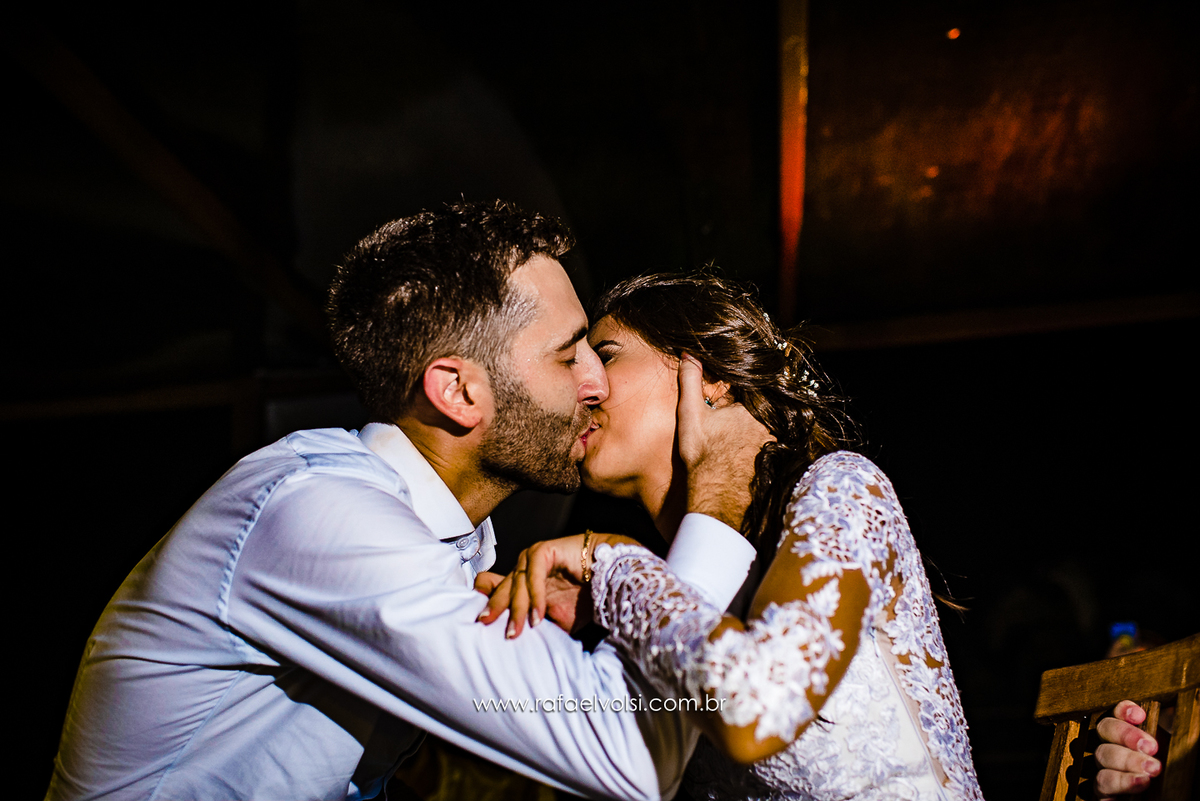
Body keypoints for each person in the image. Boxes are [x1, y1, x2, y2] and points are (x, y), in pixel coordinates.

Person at [45, 202, 762, 801]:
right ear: (458, 391)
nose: (595, 383)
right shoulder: (320, 514)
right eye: (568, 353)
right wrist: (718, 497)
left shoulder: (459, 540)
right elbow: (627, 757)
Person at [486, 273, 1161, 800]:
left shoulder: (841, 489)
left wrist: (612, 561)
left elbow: (758, 701)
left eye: (605, 355)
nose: (584, 385)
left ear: (709, 378)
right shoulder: (670, 595)